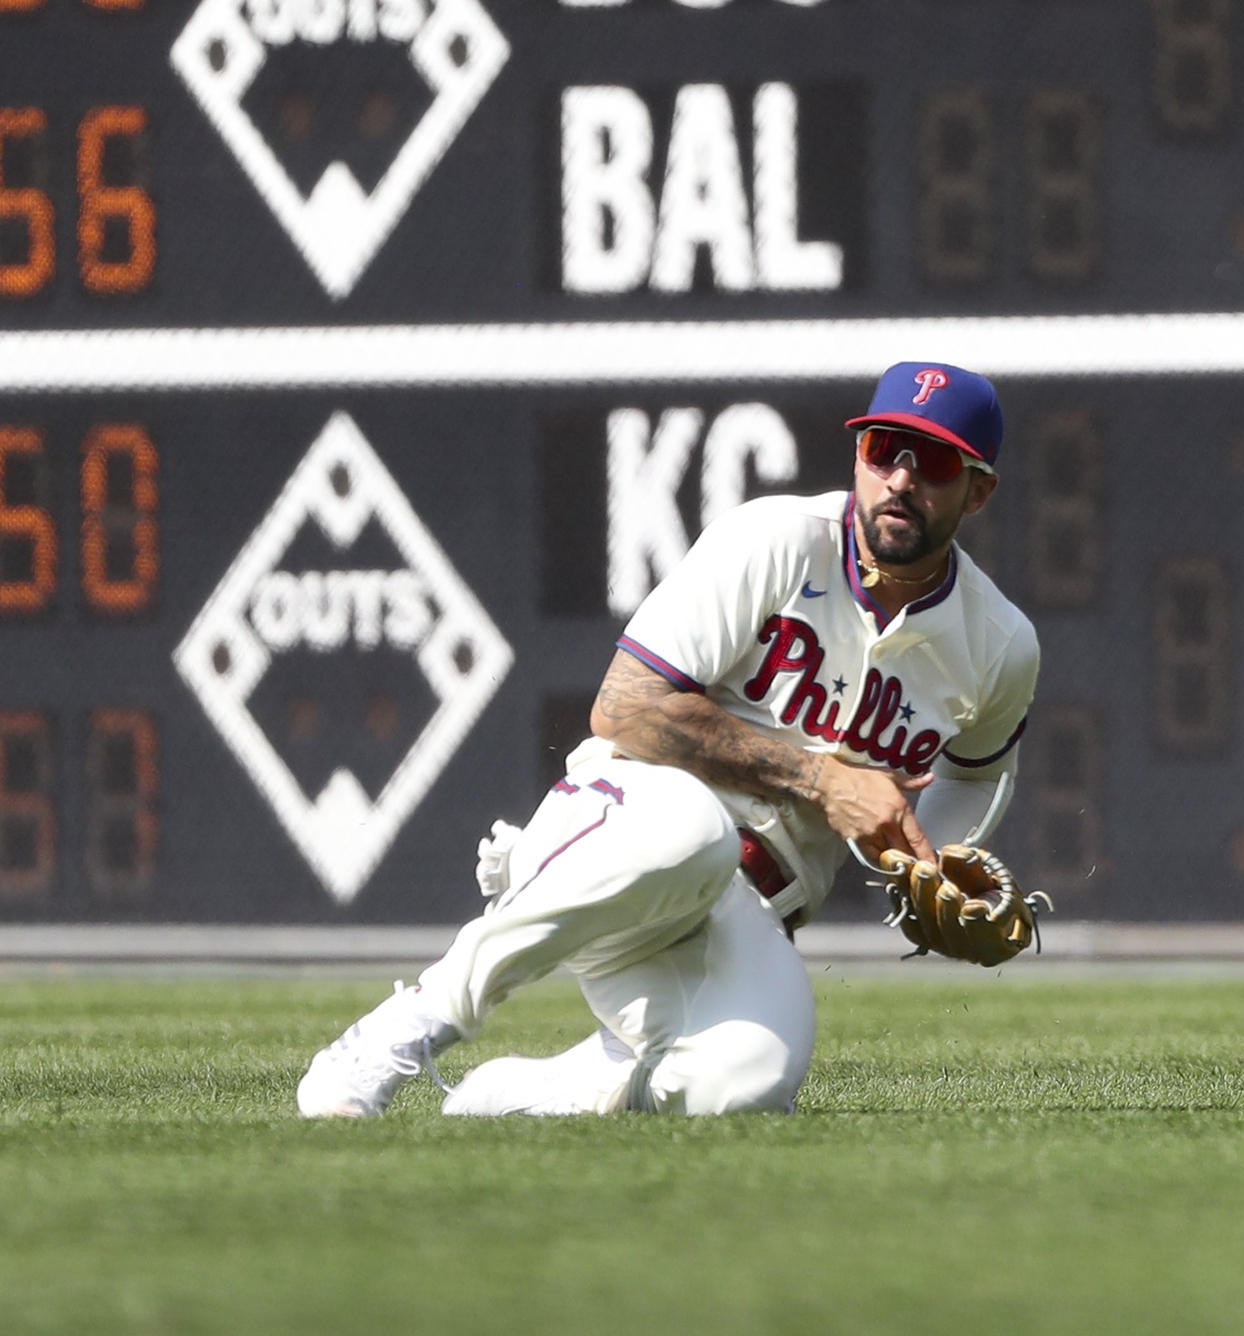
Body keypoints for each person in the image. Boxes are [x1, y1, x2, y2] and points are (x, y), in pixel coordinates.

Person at [296, 362, 1038, 1117]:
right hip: (622, 838)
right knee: (694, 830)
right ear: (859, 456)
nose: (901, 479)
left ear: (978, 491)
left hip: (749, 908)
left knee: (745, 1085)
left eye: (935, 461)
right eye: (885, 448)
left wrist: (927, 856)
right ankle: (395, 1035)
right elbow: (624, 708)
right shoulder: (776, 540)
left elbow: (975, 774)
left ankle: (522, 1096)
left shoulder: (1000, 645)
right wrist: (821, 781)